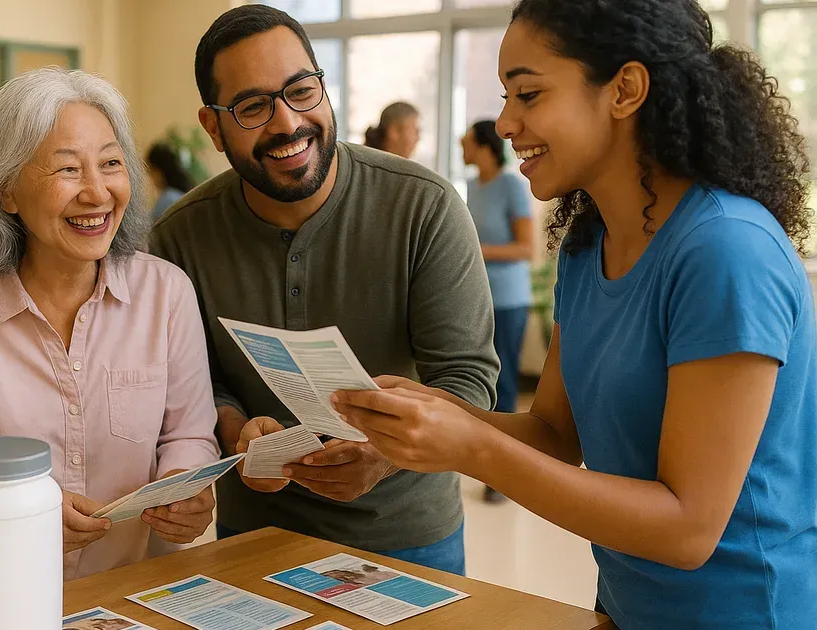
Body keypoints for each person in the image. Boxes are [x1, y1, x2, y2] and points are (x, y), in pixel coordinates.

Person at [332, 1, 817, 627]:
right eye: (506, 96)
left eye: (529, 94)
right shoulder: (589, 247)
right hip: (624, 609)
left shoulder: (727, 251)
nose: (506, 123)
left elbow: (688, 529)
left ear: (625, 90)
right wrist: (436, 415)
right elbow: (556, 439)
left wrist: (473, 448)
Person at [150, 5, 499, 576]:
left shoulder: (423, 208)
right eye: (252, 106)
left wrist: (384, 455)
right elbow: (187, 384)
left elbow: (468, 380)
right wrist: (236, 430)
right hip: (254, 537)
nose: (286, 123)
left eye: (300, 90)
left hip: (407, 535)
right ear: (212, 127)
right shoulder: (178, 239)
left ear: (324, 87)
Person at [0, 68, 220, 581]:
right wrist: (20, 515)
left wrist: (186, 485)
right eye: (68, 170)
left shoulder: (167, 293)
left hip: (140, 592)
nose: (97, 193)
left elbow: (189, 434)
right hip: (3, 594)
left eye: (111, 164)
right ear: (6, 190)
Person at [461, 119, 534, 503]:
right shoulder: (472, 186)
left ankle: (502, 478)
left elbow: (526, 248)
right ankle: (484, 464)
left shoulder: (510, 185)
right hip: (477, 299)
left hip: (509, 299)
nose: (461, 144)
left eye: (467, 140)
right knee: (481, 382)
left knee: (504, 386)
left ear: (485, 145)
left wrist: (474, 250)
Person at [146, 142, 195, 222]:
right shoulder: (187, 192)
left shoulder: (167, 199)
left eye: (151, 172)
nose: (151, 178)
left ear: (158, 171)